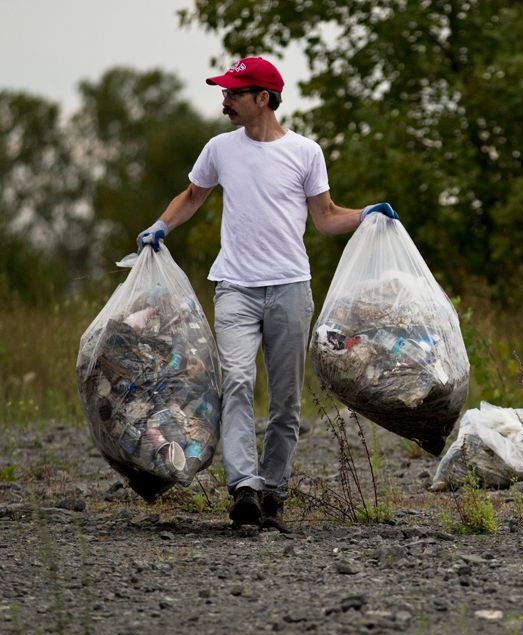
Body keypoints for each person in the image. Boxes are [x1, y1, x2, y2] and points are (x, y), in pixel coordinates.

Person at [137, 56, 399, 531]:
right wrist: (161, 225)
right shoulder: (220, 149)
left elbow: (325, 217)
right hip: (235, 287)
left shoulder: (305, 152)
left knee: (286, 400)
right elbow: (192, 196)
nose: (225, 100)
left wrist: (367, 214)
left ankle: (273, 492)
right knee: (237, 380)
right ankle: (244, 488)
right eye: (224, 92)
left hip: (290, 288)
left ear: (263, 98)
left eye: (233, 93)